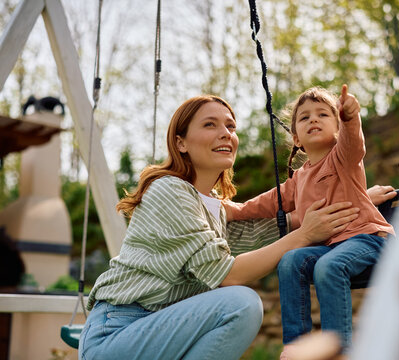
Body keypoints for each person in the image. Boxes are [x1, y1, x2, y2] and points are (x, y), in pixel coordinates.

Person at [77, 95, 362, 360]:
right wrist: (306, 235)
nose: (225, 133)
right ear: (181, 143)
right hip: (117, 333)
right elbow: (228, 274)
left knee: (241, 303)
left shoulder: (210, 205)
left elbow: (259, 231)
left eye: (230, 126)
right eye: (210, 125)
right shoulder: (169, 191)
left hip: (158, 330)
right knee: (240, 304)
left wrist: (352, 198)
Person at [225, 85, 395, 356]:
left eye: (322, 115)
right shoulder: (299, 178)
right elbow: (269, 202)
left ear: (337, 128)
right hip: (330, 247)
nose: (313, 119)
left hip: (369, 239)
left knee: (328, 266)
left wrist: (350, 117)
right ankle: (296, 347)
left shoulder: (343, 158)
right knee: (290, 261)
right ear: (296, 139)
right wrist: (235, 210)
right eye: (304, 117)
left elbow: (354, 141)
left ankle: (337, 349)